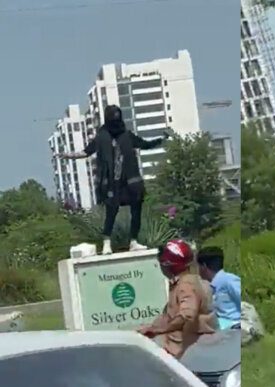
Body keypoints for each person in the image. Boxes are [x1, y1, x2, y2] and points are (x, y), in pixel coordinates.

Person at [56, 105, 169, 255]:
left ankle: (133, 241)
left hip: (130, 181)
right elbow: (86, 152)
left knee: (136, 209)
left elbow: (145, 144)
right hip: (111, 182)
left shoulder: (126, 135)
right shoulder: (102, 136)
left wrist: (161, 139)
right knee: (111, 212)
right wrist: (69, 155)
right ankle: (107, 243)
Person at [137, 239, 218, 359]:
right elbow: (168, 316)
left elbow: (186, 315)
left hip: (188, 353)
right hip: (183, 350)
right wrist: (149, 329)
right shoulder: (186, 282)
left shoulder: (186, 285)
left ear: (168, 265)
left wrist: (159, 330)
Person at [197, 246, 241, 330]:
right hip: (223, 326)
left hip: (234, 326)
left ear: (204, 266)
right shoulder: (213, 285)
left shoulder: (229, 280)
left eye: (199, 266)